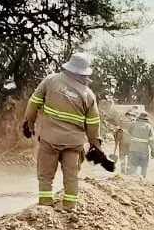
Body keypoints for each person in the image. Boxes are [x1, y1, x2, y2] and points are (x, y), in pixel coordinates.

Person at [22, 53, 101, 212]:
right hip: (73, 144)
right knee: (71, 177)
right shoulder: (88, 95)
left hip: (49, 139)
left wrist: (29, 123)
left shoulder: (51, 81)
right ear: (84, 73)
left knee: (45, 175)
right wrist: (95, 144)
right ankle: (70, 207)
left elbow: (34, 103)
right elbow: (93, 123)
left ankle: (45, 205)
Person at [127, 111, 154, 178]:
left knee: (133, 166)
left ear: (139, 118)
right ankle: (143, 181)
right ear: (147, 119)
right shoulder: (149, 127)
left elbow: (128, 132)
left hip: (133, 150)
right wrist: (153, 150)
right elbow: (151, 140)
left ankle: (132, 180)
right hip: (144, 151)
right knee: (144, 167)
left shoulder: (133, 124)